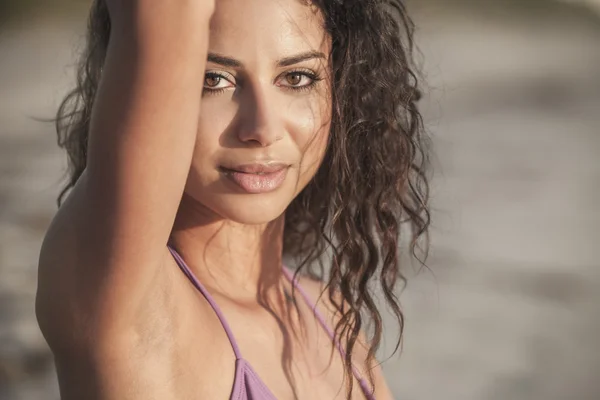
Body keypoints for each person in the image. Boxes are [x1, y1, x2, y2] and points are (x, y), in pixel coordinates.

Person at [35, 0, 430, 399]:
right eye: (213, 80)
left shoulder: (333, 313)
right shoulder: (125, 307)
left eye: (296, 78)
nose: (262, 128)